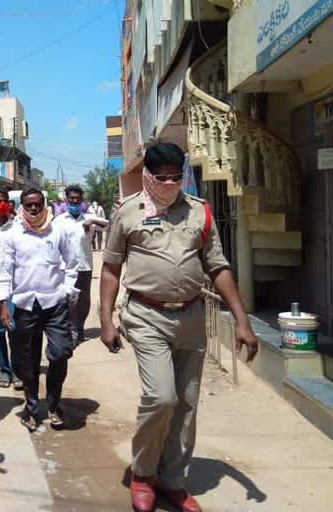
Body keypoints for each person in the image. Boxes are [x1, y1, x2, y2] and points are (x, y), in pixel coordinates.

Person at [100, 143, 259, 512]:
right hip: (145, 315)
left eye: (176, 176)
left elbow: (218, 266)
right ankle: (142, 473)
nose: (169, 183)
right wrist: (106, 320)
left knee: (186, 403)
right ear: (147, 175)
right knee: (161, 397)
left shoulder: (199, 212)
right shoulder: (128, 213)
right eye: (162, 176)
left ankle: (172, 479)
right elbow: (110, 269)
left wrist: (242, 320)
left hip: (190, 317)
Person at [0, 188, 79, 432]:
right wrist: (2, 304)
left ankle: (54, 404)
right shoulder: (13, 234)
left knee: (61, 352)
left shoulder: (58, 230)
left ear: (44, 205)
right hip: (25, 305)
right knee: (27, 361)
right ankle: (32, 408)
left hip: (54, 303)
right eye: (28, 205)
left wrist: (67, 290)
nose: (33, 209)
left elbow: (72, 263)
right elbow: (4, 270)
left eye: (37, 204)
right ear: (21, 206)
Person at [54, 186, 109, 344]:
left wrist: (92, 221)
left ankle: (80, 328)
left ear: (82, 199)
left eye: (77, 198)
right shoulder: (59, 221)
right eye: (71, 198)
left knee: (84, 301)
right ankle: (71, 331)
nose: (75, 200)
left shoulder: (89, 218)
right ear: (67, 199)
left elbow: (108, 224)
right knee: (70, 300)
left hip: (85, 266)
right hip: (66, 268)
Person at [0, 187, 22, 390]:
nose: (2, 204)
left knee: (13, 327)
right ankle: (4, 369)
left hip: (13, 285)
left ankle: (17, 370)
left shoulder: (17, 226)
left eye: (5, 200)